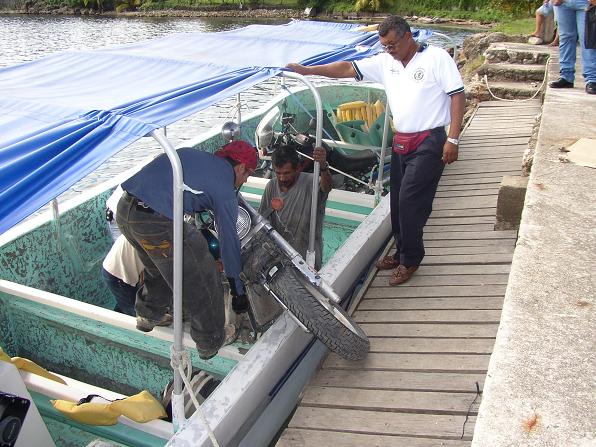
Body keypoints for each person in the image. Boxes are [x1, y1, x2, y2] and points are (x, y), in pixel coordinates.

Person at [286, 15, 465, 286]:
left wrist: (453, 139)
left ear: (407, 37)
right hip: (401, 140)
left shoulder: (436, 58)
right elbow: (347, 68)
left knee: (411, 203)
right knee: (396, 203)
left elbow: (457, 95)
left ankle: (411, 259)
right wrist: (309, 71)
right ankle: (402, 250)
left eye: (393, 44)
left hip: (430, 140)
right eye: (384, 46)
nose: (389, 50)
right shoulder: (386, 63)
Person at [116, 141, 257, 360]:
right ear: (240, 167)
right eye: (248, 174)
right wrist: (237, 289)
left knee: (158, 267)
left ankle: (147, 315)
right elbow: (229, 243)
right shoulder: (225, 186)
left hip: (126, 212)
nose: (246, 180)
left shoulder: (194, 156)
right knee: (202, 273)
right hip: (155, 222)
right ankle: (210, 339)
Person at [258, 146, 332, 270]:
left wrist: (323, 166)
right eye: (278, 173)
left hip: (307, 259)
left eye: (287, 173)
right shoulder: (271, 186)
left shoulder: (312, 183)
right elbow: (262, 221)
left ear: (298, 168)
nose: (282, 178)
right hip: (279, 259)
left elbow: (327, 187)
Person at [550, 0, 596, 94]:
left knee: (587, 38)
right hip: (563, 3)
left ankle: (592, 79)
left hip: (585, 2)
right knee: (565, 38)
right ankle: (566, 76)